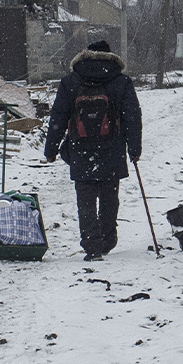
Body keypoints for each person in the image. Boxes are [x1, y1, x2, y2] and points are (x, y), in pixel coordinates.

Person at [43, 40, 142, 261]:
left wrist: (51, 150)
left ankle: (92, 245)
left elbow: (58, 117)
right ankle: (107, 239)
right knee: (109, 196)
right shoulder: (121, 81)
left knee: (85, 199)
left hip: (81, 149)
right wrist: (134, 149)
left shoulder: (71, 81)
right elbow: (132, 117)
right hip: (112, 148)